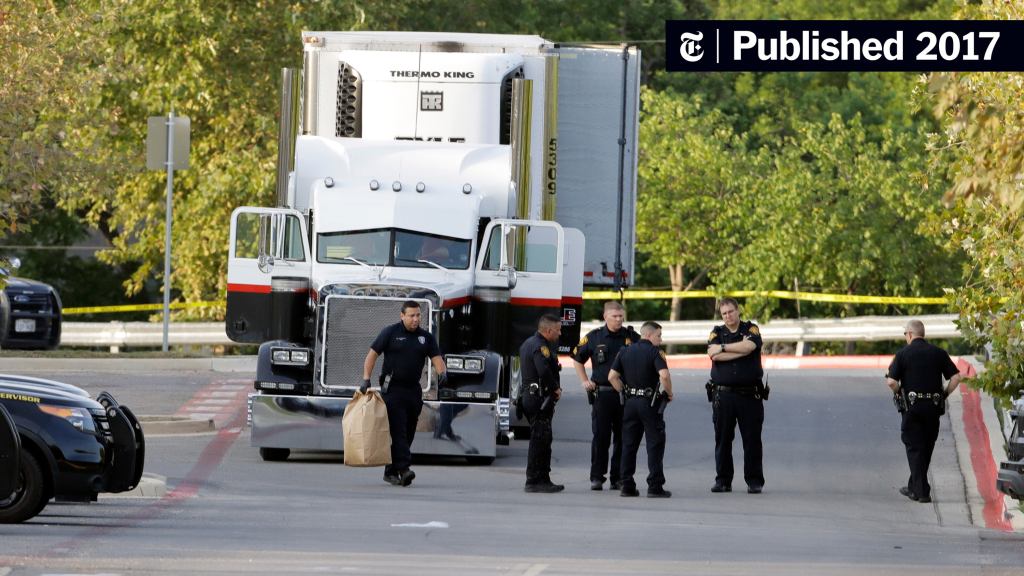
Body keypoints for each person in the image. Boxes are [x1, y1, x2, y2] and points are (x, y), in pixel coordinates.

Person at [362, 301, 446, 487]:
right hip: (393, 389)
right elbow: (372, 355)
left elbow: (437, 359)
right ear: (402, 316)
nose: (416, 319)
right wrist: (366, 379)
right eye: (411, 316)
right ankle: (404, 469)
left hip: (413, 390)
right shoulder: (390, 333)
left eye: (418, 315)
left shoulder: (426, 338)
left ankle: (390, 470)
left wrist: (443, 373)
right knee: (398, 429)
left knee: (409, 431)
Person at [886, 319, 961, 504]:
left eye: (905, 334)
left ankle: (922, 492)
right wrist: (943, 395)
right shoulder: (938, 353)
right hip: (933, 408)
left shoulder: (903, 354)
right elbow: (956, 377)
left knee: (914, 447)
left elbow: (891, 381)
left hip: (912, 407)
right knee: (926, 446)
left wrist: (898, 393)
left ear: (910, 334)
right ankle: (914, 487)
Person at [572, 301, 641, 491]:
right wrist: (585, 380)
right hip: (602, 395)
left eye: (621, 316)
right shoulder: (594, 337)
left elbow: (645, 355)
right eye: (615, 316)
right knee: (600, 437)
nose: (619, 320)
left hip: (624, 395)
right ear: (605, 317)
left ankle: (617, 478)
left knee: (623, 437)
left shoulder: (631, 337)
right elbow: (577, 358)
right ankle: (597, 477)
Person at [707, 297, 766, 494]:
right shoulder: (716, 332)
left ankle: (754, 480)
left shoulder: (751, 329)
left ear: (738, 310)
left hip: (750, 395)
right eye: (724, 313)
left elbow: (750, 346)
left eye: (731, 311)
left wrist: (723, 348)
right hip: (723, 396)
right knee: (722, 439)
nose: (728, 316)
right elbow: (713, 355)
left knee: (752, 440)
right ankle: (723, 480)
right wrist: (738, 350)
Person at [608, 321, 674, 498]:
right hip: (649, 403)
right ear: (649, 335)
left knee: (628, 445)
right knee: (654, 444)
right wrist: (669, 392)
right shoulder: (655, 352)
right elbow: (665, 375)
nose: (660, 339)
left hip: (630, 403)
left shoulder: (625, 351)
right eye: (659, 335)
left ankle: (627, 485)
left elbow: (612, 376)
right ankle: (655, 486)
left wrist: (623, 391)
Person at [519, 314, 564, 493]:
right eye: (558, 330)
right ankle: (535, 480)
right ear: (548, 330)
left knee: (541, 439)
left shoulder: (528, 343)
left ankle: (542, 478)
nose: (560, 333)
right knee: (541, 441)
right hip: (539, 399)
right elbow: (543, 370)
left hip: (532, 397)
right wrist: (555, 389)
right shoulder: (540, 347)